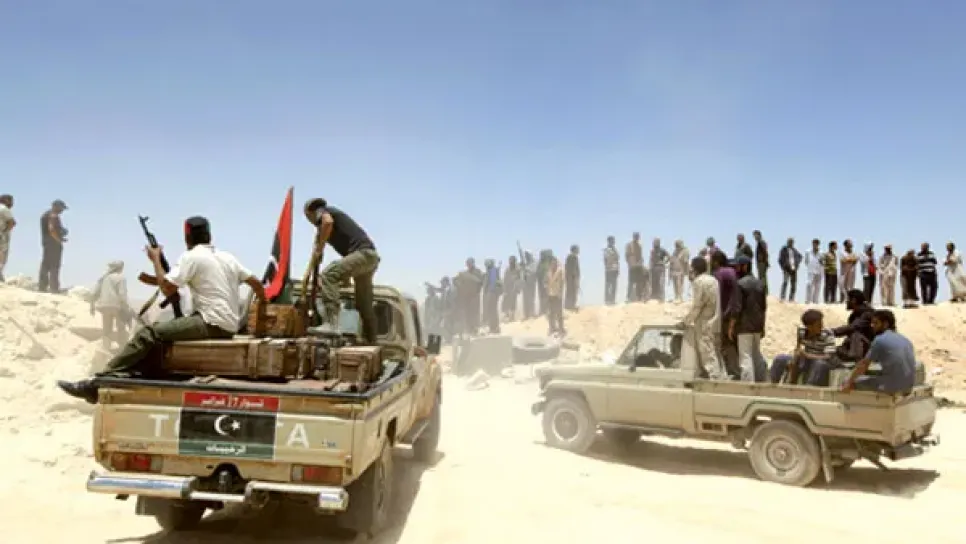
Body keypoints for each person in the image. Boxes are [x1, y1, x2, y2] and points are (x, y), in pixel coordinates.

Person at [57, 216, 267, 403]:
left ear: (187, 237)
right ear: (209, 236)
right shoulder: (227, 257)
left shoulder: (191, 257)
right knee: (162, 336)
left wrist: (156, 258)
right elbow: (257, 284)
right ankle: (132, 374)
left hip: (210, 322)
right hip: (228, 325)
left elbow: (167, 288)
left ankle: (97, 383)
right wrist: (263, 307)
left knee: (149, 333)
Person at [303, 199, 381, 342]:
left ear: (310, 213)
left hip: (362, 254)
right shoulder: (331, 216)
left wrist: (320, 248)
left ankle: (332, 324)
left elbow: (327, 222)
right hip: (370, 257)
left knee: (328, 275)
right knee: (363, 303)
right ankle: (371, 339)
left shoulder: (323, 212)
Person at [841, 310, 916, 395]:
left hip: (893, 387)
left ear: (885, 324)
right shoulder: (905, 340)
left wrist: (849, 382)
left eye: (876, 323)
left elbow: (863, 365)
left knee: (850, 383)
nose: (872, 326)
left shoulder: (879, 340)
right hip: (909, 386)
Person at [680, 257, 723, 380]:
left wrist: (685, 321)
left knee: (707, 354)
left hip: (704, 323)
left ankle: (715, 381)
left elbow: (697, 306)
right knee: (715, 353)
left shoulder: (699, 282)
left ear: (694, 268)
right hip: (715, 321)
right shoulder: (713, 280)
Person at [769, 309, 836, 386]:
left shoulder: (828, 334)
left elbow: (828, 356)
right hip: (805, 360)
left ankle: (808, 388)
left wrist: (808, 355)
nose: (821, 326)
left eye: (821, 323)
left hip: (820, 360)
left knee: (819, 364)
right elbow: (798, 347)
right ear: (809, 326)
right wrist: (794, 359)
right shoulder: (802, 331)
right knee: (780, 359)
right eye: (818, 325)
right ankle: (772, 385)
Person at [727, 256, 767, 382]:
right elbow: (763, 307)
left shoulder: (740, 284)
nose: (736, 269)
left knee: (745, 356)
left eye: (738, 266)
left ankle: (747, 384)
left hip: (744, 326)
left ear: (744, 266)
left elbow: (737, 308)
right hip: (757, 325)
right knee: (756, 355)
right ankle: (761, 381)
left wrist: (731, 326)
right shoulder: (760, 284)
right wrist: (763, 326)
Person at [91, 260, 131, 351]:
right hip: (117, 306)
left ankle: (105, 348)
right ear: (120, 268)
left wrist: (92, 306)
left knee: (107, 329)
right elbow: (122, 294)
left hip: (104, 306)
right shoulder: (121, 278)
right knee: (121, 327)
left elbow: (95, 293)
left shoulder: (104, 278)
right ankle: (122, 349)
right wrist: (126, 307)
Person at [711, 251, 739, 378]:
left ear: (716, 262)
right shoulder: (732, 271)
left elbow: (717, 295)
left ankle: (733, 373)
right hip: (736, 313)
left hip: (725, 315)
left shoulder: (719, 273)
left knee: (726, 345)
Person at [832, 289, 875, 363]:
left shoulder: (867, 313)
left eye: (848, 299)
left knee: (856, 334)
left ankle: (856, 360)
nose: (846, 302)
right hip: (860, 346)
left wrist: (833, 332)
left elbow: (853, 327)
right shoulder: (856, 314)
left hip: (870, 347)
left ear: (854, 300)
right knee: (834, 351)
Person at [39, 199, 68, 293]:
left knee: (45, 265)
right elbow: (51, 229)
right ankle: (54, 288)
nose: (62, 210)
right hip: (53, 244)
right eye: (61, 208)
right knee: (54, 266)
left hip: (47, 243)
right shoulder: (53, 215)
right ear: (56, 206)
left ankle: (42, 287)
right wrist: (58, 239)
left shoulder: (45, 215)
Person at [454, 258, 483, 336]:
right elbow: (455, 280)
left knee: (474, 313)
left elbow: (480, 282)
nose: (469, 265)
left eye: (470, 263)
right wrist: (461, 286)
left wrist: (476, 290)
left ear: (473, 263)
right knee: (467, 313)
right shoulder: (464, 273)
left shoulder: (477, 272)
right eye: (467, 263)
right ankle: (469, 329)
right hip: (466, 297)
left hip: (474, 296)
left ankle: (475, 329)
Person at [545, 256, 566, 336]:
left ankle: (561, 329)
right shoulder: (549, 272)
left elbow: (562, 282)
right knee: (551, 313)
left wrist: (561, 292)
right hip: (550, 294)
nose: (553, 264)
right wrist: (546, 288)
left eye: (554, 262)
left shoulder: (560, 271)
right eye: (551, 263)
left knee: (559, 313)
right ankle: (552, 328)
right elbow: (546, 282)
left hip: (557, 294)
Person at [778, 237, 802, 302]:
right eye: (789, 241)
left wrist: (797, 264)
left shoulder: (795, 250)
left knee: (793, 284)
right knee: (785, 282)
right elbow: (780, 259)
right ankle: (782, 297)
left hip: (794, 269)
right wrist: (783, 266)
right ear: (787, 242)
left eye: (792, 242)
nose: (790, 243)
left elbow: (800, 256)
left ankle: (791, 298)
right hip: (786, 269)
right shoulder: (784, 249)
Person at [482, 259, 502, 333]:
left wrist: (489, 294)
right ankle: (493, 328)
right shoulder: (491, 271)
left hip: (492, 294)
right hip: (492, 294)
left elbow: (492, 285)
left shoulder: (493, 271)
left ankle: (494, 328)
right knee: (492, 311)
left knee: (492, 311)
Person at [625, 233, 646, 302]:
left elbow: (640, 255)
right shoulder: (629, 245)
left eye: (638, 237)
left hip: (639, 266)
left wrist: (641, 263)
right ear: (633, 237)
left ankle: (639, 297)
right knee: (631, 282)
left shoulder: (640, 245)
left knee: (639, 282)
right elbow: (627, 255)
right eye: (636, 237)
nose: (637, 238)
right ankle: (628, 297)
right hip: (632, 266)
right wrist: (629, 263)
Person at [649, 238, 670, 302]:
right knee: (654, 283)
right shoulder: (652, 251)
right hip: (654, 268)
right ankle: (654, 296)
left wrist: (664, 262)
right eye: (654, 243)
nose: (654, 244)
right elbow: (651, 259)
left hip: (661, 268)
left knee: (661, 283)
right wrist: (650, 267)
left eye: (656, 243)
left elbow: (669, 257)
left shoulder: (662, 250)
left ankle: (661, 298)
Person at [0, 194, 15, 282]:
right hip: (2, 236)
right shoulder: (4, 209)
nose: (12, 204)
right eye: (11, 201)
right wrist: (5, 231)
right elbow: (11, 222)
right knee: (2, 255)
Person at [803, 239, 822, 304]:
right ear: (812, 243)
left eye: (817, 243)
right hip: (811, 271)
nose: (815, 245)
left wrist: (821, 263)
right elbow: (806, 261)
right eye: (814, 243)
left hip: (819, 271)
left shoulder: (821, 252)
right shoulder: (808, 251)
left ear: (818, 244)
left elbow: (823, 261)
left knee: (817, 286)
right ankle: (807, 300)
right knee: (809, 285)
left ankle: (815, 301)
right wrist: (810, 266)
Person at [602, 236, 620, 305]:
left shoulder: (615, 250)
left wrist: (618, 269)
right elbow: (606, 259)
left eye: (613, 241)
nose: (613, 242)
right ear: (609, 241)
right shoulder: (607, 250)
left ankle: (612, 300)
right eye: (612, 241)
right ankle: (607, 300)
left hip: (615, 269)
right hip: (609, 270)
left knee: (614, 285)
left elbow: (617, 259)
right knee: (608, 285)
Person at [521, 251, 537, 319]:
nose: (526, 257)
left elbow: (534, 271)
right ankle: (526, 314)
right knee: (525, 299)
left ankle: (532, 313)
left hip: (531, 283)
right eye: (526, 256)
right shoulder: (525, 264)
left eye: (527, 255)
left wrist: (526, 269)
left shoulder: (534, 263)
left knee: (531, 299)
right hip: (525, 283)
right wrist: (523, 267)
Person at [753, 230, 769, 295]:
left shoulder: (761, 242)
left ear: (759, 235)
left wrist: (766, 261)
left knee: (762, 277)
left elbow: (765, 252)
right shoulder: (759, 243)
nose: (755, 237)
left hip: (762, 262)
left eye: (755, 235)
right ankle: (764, 291)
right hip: (761, 262)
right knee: (761, 277)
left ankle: (764, 291)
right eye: (754, 236)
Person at [564, 245, 580, 310]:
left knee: (569, 291)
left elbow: (566, 267)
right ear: (574, 250)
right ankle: (572, 306)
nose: (578, 250)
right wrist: (575, 277)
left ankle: (568, 305)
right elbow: (574, 268)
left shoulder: (569, 257)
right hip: (572, 277)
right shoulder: (574, 257)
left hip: (569, 277)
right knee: (573, 292)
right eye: (577, 249)